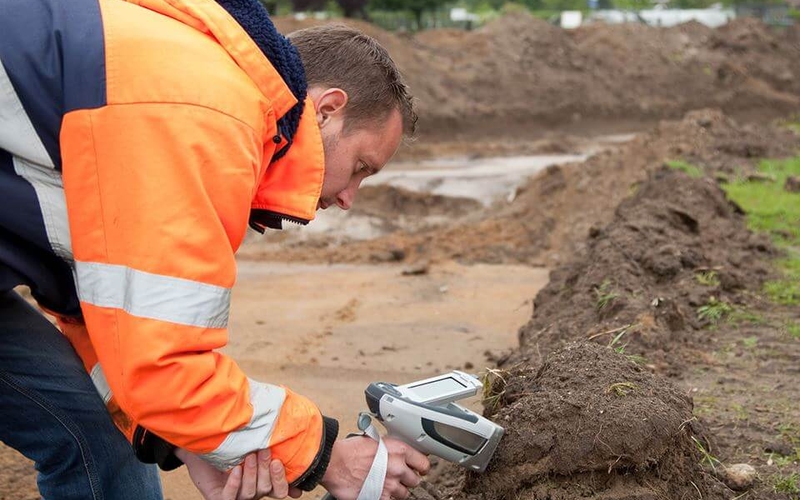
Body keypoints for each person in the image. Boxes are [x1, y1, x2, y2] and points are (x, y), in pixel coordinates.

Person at [0, 0, 429, 499]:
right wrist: (326, 454)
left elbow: (103, 319)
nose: (350, 198)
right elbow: (164, 362)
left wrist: (185, 442)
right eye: (360, 167)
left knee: (98, 435)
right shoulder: (204, 111)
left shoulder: (187, 81)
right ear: (328, 110)